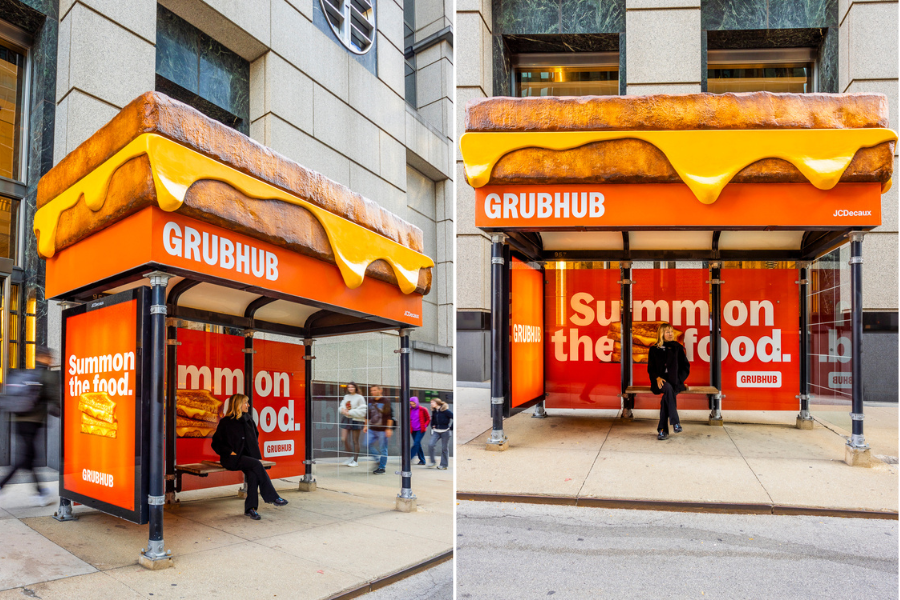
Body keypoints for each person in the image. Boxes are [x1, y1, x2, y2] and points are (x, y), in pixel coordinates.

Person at [212, 393, 288, 519]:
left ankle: (250, 509)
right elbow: (216, 443)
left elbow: (255, 436)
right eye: (245, 403)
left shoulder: (248, 420)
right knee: (256, 465)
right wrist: (230, 451)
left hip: (247, 458)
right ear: (237, 405)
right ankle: (273, 496)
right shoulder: (226, 422)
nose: (248, 405)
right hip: (231, 459)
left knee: (253, 474)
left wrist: (251, 450)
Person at [0, 346, 60, 506]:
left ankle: (40, 493)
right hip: (32, 423)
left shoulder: (28, 374)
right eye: (50, 357)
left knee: (29, 458)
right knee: (25, 459)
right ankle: (2, 485)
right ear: (45, 358)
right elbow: (56, 398)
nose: (52, 360)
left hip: (17, 420)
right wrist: (61, 411)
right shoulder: (46, 375)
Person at [647, 322, 690, 440]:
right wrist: (657, 377)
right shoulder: (654, 349)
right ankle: (675, 422)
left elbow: (685, 367)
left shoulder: (677, 348)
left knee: (667, 396)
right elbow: (651, 368)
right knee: (668, 389)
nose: (671, 334)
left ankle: (662, 430)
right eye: (667, 332)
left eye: (671, 331)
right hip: (660, 382)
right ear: (661, 334)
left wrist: (679, 379)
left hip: (675, 382)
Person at [364, 386, 393, 474]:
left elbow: (389, 416)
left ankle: (382, 467)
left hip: (382, 430)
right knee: (366, 444)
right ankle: (377, 460)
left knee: (383, 449)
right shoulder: (370, 401)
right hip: (372, 429)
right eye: (371, 390)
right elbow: (367, 415)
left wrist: (388, 428)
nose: (372, 392)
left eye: (374, 390)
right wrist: (365, 425)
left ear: (380, 390)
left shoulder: (386, 401)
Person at [339, 382, 366, 467]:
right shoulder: (346, 396)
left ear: (355, 388)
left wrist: (350, 412)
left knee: (355, 441)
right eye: (349, 387)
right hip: (346, 419)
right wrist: (342, 410)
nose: (350, 389)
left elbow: (363, 410)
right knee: (344, 438)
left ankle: (355, 460)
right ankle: (350, 457)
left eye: (352, 387)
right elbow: (342, 406)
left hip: (356, 419)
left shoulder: (360, 397)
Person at [427, 398, 453, 470]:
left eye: (432, 402)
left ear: (437, 403)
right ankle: (432, 462)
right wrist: (432, 425)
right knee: (430, 445)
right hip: (436, 431)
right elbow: (433, 420)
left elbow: (454, 417)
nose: (431, 404)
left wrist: (451, 428)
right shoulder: (434, 411)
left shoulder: (446, 411)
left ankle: (444, 465)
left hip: (445, 432)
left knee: (444, 448)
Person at [409, 396, 430, 466]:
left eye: (414, 404)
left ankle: (408, 458)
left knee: (416, 444)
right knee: (418, 445)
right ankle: (422, 460)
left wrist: (425, 425)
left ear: (417, 402)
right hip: (413, 430)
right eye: (411, 404)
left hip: (421, 430)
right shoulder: (409, 410)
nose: (412, 405)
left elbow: (428, 418)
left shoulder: (423, 409)